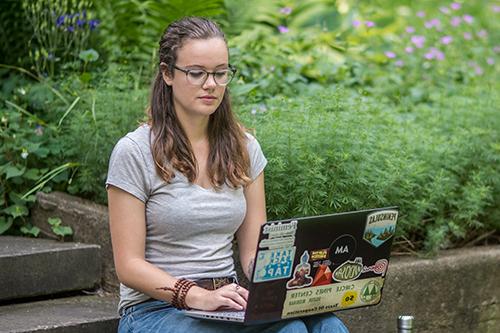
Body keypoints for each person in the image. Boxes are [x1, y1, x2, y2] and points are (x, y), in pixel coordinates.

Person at [106, 16, 349, 333]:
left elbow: (253, 254)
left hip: (230, 302)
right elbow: (129, 266)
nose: (211, 84)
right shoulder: (134, 152)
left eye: (220, 73)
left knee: (323, 326)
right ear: (167, 74)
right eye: (197, 73)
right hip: (156, 310)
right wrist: (195, 296)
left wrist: (293, 285)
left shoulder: (245, 149)